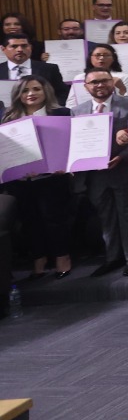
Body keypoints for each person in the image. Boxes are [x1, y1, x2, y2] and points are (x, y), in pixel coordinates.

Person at [73, 68, 128, 276]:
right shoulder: (78, 111)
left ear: (113, 83)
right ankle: (113, 257)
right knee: (105, 217)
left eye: (104, 80)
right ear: (86, 87)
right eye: (94, 82)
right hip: (94, 175)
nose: (100, 85)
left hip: (123, 168)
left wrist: (123, 156)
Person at [3, 77, 74, 279]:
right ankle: (39, 259)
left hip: (52, 179)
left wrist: (64, 164)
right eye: (25, 90)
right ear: (18, 94)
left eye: (36, 89)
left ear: (46, 92)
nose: (31, 94)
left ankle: (62, 257)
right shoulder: (9, 118)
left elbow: (70, 145)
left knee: (54, 219)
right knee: (30, 220)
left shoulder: (61, 114)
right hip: (20, 181)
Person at [3, 32, 67, 102]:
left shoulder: (49, 69)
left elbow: (61, 94)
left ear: (30, 47)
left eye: (24, 46)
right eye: (14, 46)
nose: (20, 50)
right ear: (3, 49)